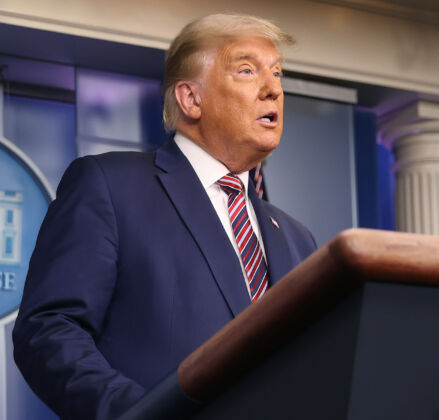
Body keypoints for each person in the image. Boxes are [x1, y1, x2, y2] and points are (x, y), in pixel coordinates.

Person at [12, 14, 316, 420]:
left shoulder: (298, 238)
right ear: (191, 99)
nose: (273, 89)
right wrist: (144, 414)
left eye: (277, 73)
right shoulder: (110, 185)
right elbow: (48, 330)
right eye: (247, 70)